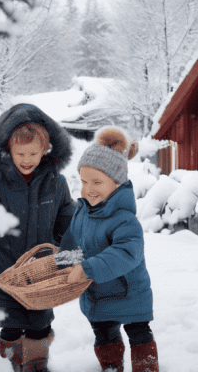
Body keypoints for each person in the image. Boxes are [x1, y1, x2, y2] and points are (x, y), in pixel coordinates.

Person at [0, 103, 75, 372]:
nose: (27, 159)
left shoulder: (56, 183)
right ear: (7, 150)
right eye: (20, 152)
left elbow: (67, 216)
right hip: (3, 273)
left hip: (41, 274)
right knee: (10, 326)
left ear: (46, 150)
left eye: (34, 153)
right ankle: (9, 361)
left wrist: (65, 242)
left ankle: (36, 364)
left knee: (40, 323)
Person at [56, 126, 158, 372]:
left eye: (97, 182)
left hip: (129, 293)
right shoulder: (82, 213)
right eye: (83, 181)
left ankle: (145, 367)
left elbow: (126, 254)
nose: (88, 189)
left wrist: (87, 268)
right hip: (97, 294)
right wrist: (63, 264)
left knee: (138, 333)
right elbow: (72, 240)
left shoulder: (125, 219)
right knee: (103, 333)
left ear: (116, 182)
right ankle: (111, 367)